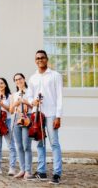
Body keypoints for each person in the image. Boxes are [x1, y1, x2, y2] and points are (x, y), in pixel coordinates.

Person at [28, 50, 63, 185]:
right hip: (37, 114)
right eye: (37, 58)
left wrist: (58, 116)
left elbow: (59, 96)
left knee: (54, 143)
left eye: (42, 57)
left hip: (51, 113)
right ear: (35, 60)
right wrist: (33, 102)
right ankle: (41, 171)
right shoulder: (33, 78)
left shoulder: (55, 75)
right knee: (40, 143)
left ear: (47, 59)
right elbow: (30, 96)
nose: (40, 60)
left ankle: (56, 173)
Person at [10, 73, 34, 180]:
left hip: (27, 118)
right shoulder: (14, 94)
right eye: (16, 80)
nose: (18, 81)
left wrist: (25, 102)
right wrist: (15, 104)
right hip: (16, 118)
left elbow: (33, 105)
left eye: (20, 79)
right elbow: (10, 110)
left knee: (26, 146)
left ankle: (28, 171)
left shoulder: (30, 92)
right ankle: (22, 169)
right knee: (19, 146)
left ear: (24, 79)